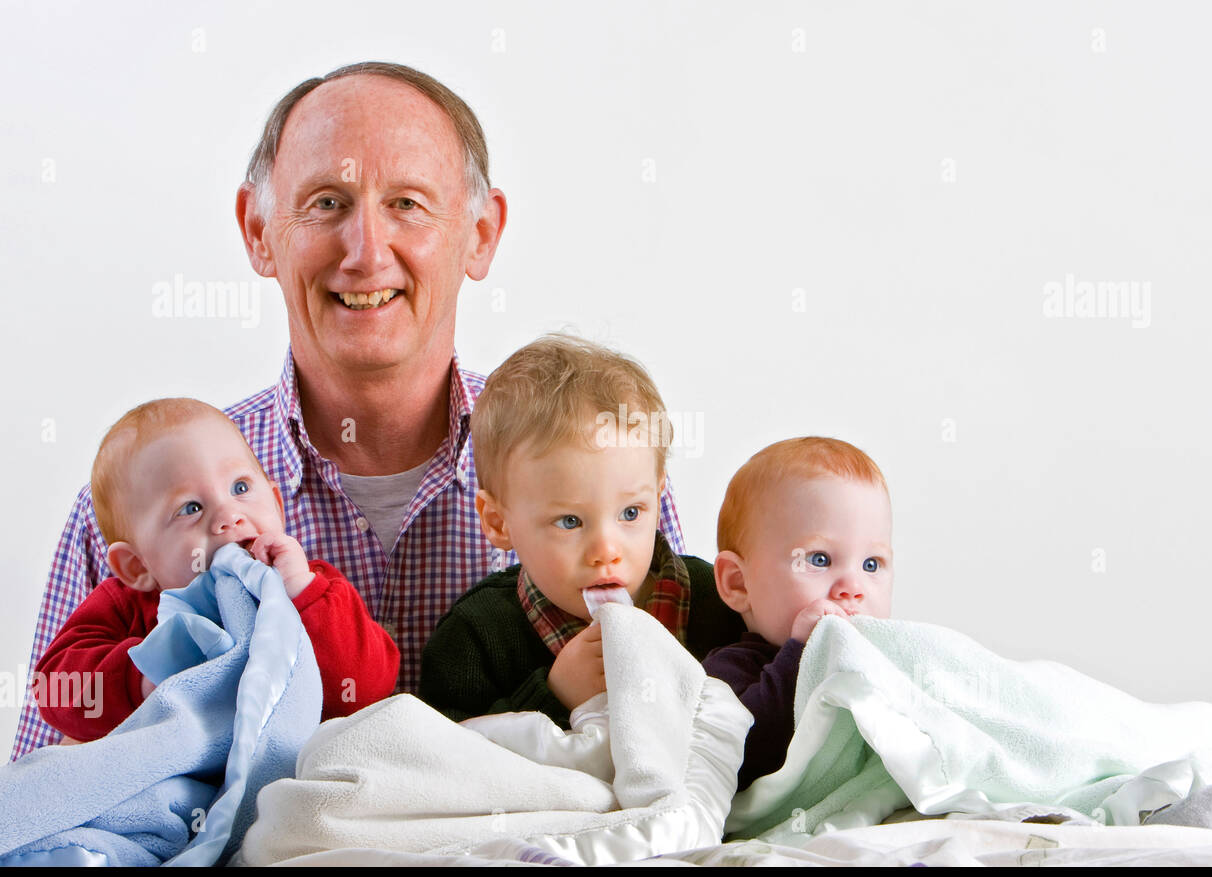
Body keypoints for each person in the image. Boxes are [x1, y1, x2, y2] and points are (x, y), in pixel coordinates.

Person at [11, 62, 686, 760]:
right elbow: (46, 807)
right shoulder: (144, 494)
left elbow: (676, 751)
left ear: (480, 235)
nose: (366, 253)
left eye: (408, 204)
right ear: (259, 232)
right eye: (327, 203)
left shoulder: (604, 462)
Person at [417, 334, 745, 727]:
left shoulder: (719, 602)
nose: (606, 550)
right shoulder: (476, 637)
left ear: (658, 496)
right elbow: (444, 757)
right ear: (498, 522)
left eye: (630, 512)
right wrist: (553, 697)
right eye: (570, 521)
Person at [34, 399, 399, 741]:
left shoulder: (312, 587)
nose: (228, 516)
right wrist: (144, 679)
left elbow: (366, 689)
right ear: (137, 565)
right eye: (190, 508)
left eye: (240, 487)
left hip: (287, 781)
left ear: (276, 504)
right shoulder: (126, 605)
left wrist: (301, 594)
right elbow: (53, 686)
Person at [702, 437, 893, 790]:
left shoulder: (887, 661)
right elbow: (741, 756)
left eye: (871, 564)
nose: (853, 587)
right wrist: (802, 654)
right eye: (820, 559)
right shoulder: (727, 674)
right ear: (739, 583)